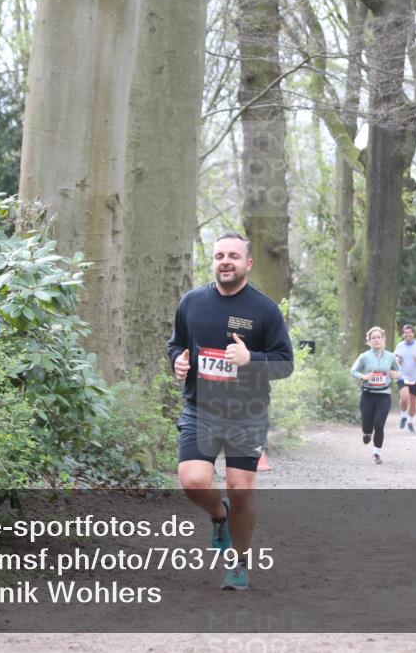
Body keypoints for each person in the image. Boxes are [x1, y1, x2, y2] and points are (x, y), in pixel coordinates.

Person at [167, 231, 293, 591]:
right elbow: (176, 344)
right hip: (201, 409)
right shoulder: (192, 302)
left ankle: (239, 564)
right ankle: (218, 513)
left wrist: (251, 359)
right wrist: (178, 361)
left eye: (233, 256)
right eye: (220, 255)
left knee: (241, 490)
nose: (226, 261)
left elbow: (285, 363)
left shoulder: (264, 310)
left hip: (247, 413)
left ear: (248, 263)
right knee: (192, 481)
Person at [350, 326, 400, 464]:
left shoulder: (391, 357)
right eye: (373, 338)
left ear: (383, 339)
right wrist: (365, 377)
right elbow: (353, 371)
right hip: (368, 394)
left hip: (384, 395)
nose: (376, 340)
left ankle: (376, 454)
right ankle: (367, 433)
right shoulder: (364, 357)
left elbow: (399, 371)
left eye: (379, 337)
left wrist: (396, 374)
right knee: (367, 424)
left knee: (379, 424)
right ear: (369, 341)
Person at [393, 324, 416, 433]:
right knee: (404, 397)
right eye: (405, 332)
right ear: (403, 334)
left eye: (409, 332)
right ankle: (403, 416)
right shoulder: (400, 345)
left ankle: (410, 421)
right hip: (402, 376)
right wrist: (398, 359)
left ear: (413, 334)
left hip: (415, 377)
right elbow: (394, 357)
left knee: (413, 402)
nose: (407, 334)